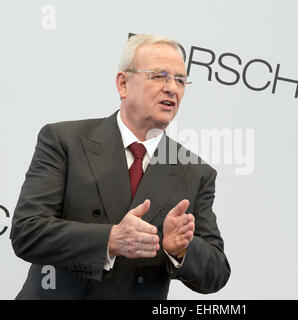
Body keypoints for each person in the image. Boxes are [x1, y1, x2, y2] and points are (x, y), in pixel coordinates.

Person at [10, 33, 230, 299]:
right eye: (159, 76)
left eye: (181, 80)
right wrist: (111, 240)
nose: (172, 88)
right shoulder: (63, 141)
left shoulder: (195, 172)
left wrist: (180, 249)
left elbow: (217, 271)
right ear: (123, 83)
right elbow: (27, 231)